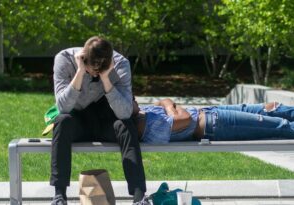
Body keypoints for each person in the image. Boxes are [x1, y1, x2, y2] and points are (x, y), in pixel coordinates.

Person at [51, 36, 149, 205]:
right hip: (78, 119)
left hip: (107, 119)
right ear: (83, 58)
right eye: (92, 69)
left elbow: (125, 112)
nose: (95, 73)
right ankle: (59, 196)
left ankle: (139, 197)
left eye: (100, 70)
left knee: (126, 125)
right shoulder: (64, 59)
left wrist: (106, 78)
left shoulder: (120, 64)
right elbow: (63, 108)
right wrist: (81, 72)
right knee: (61, 121)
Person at [132, 98, 294, 143]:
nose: (133, 98)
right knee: (281, 126)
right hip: (215, 124)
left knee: (271, 107)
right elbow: (185, 118)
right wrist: (172, 107)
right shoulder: (146, 127)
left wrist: (169, 106)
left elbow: (165, 101)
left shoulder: (143, 113)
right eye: (131, 99)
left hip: (212, 111)